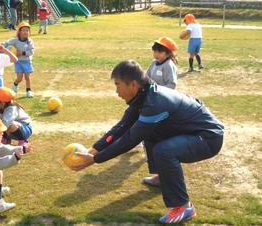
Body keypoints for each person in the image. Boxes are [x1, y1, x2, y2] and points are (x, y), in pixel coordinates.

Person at [71, 60, 224, 224]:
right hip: (192, 133)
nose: (116, 91)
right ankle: (162, 177)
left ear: (133, 85)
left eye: (118, 85)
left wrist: (95, 160)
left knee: (163, 150)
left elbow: (130, 139)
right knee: (150, 134)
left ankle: (184, 206)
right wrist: (93, 150)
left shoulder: (155, 102)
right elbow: (121, 128)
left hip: (208, 138)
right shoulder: (143, 96)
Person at [3, 22, 35, 98]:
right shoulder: (15, 40)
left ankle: (28, 91)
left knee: (27, 76)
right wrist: (1, 46)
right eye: (23, 30)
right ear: (19, 32)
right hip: (18, 62)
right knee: (19, 78)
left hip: (27, 61)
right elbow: (6, 43)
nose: (25, 32)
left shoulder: (30, 41)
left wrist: (22, 53)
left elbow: (31, 51)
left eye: (27, 30)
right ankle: (15, 85)